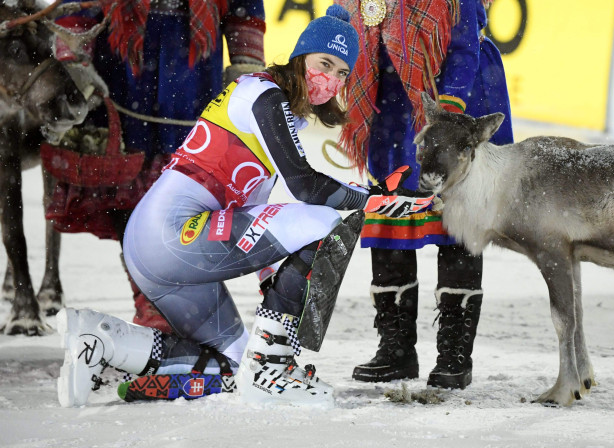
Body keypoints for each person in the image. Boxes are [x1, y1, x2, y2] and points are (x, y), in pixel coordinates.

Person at [56, 5, 434, 408]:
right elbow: (305, 187)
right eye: (325, 63)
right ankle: (271, 367)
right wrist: (367, 198)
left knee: (233, 365)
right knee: (323, 222)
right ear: (300, 56)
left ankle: (100, 342)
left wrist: (280, 295)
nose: (332, 80)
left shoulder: (277, 110)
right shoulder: (263, 94)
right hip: (169, 235)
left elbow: (258, 221)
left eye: (343, 73)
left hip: (163, 248)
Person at [49, 0, 267, 333]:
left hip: (193, 68)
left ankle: (181, 301)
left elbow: (242, 8)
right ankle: (152, 301)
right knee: (127, 195)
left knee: (189, 194)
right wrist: (74, 51)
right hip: (121, 66)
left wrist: (246, 65)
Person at [337, 0, 514, 389]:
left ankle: (454, 355)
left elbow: (464, 46)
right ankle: (395, 350)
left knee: (456, 225)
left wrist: (446, 116)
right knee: (390, 214)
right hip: (390, 108)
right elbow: (345, 34)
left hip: (453, 98)